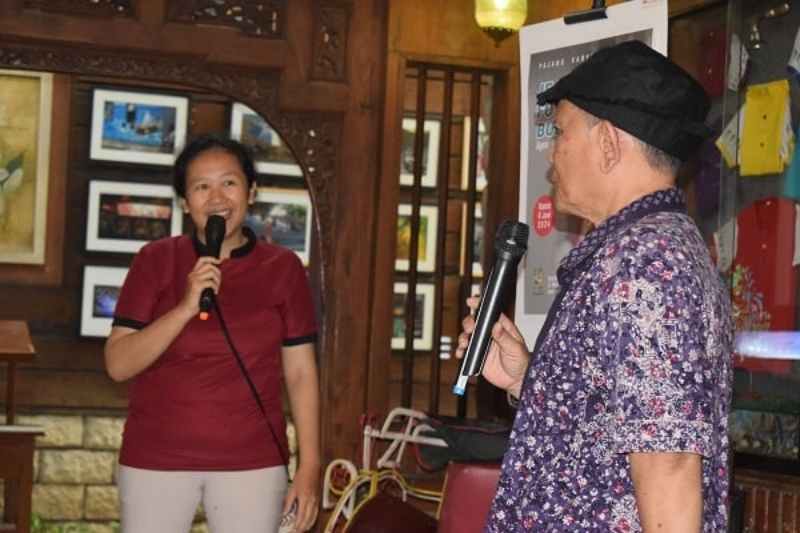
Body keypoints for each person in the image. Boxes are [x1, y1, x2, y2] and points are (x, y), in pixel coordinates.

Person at [456, 41, 733, 532]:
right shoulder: (642, 250)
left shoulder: (647, 266)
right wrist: (532, 382)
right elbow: (614, 421)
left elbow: (667, 466)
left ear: (607, 143)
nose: (550, 150)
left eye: (560, 131)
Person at [104, 134, 320, 533]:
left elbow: (301, 373)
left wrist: (309, 467)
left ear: (251, 192)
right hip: (156, 458)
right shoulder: (155, 260)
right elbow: (118, 365)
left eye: (229, 182)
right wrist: (186, 306)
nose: (217, 197)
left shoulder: (283, 267)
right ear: (186, 202)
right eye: (202, 186)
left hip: (253, 461)